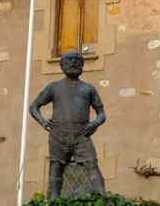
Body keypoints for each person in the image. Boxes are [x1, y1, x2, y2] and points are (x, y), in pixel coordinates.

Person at [29, 50, 106, 198]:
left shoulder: (88, 88)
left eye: (76, 61)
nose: (73, 63)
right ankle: (53, 203)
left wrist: (95, 123)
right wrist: (43, 122)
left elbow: (102, 113)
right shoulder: (54, 87)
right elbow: (34, 107)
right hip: (58, 133)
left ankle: (103, 200)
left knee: (92, 165)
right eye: (69, 61)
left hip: (81, 134)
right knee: (56, 167)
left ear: (82, 65)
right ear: (62, 65)